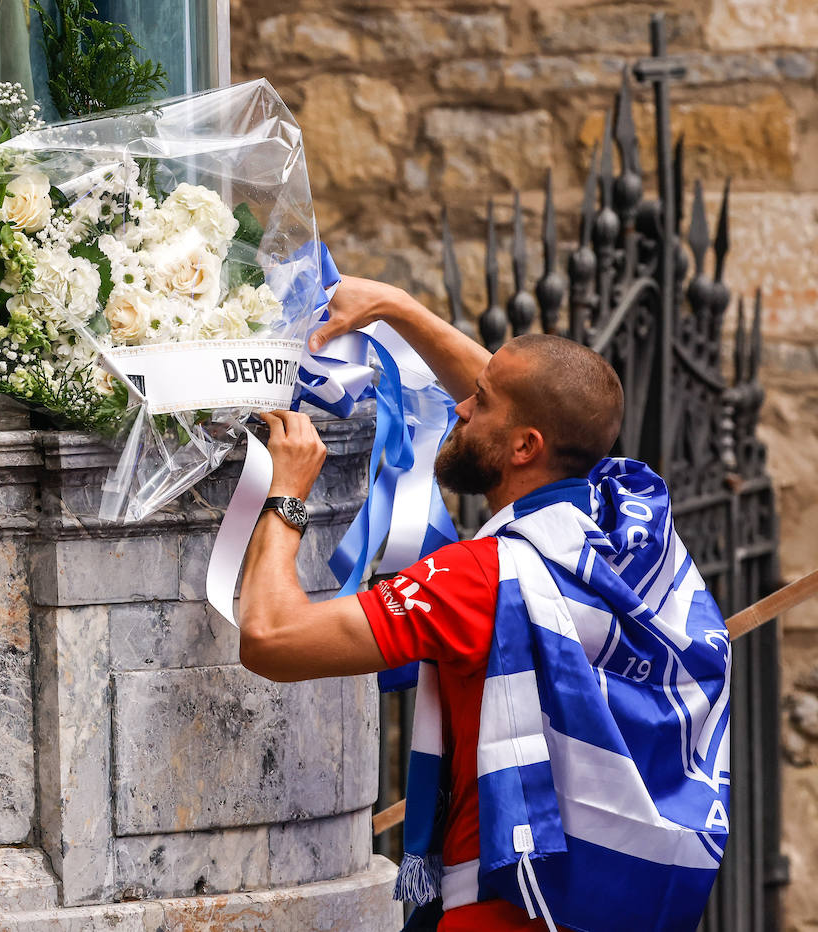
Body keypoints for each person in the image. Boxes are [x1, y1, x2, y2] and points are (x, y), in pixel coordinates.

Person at [238, 274, 627, 932]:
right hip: (592, 894)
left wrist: (287, 491)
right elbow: (550, 406)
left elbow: (271, 637)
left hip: (496, 906)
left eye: (477, 401)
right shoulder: (627, 523)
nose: (457, 408)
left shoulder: (475, 582)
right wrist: (395, 306)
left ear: (525, 447)